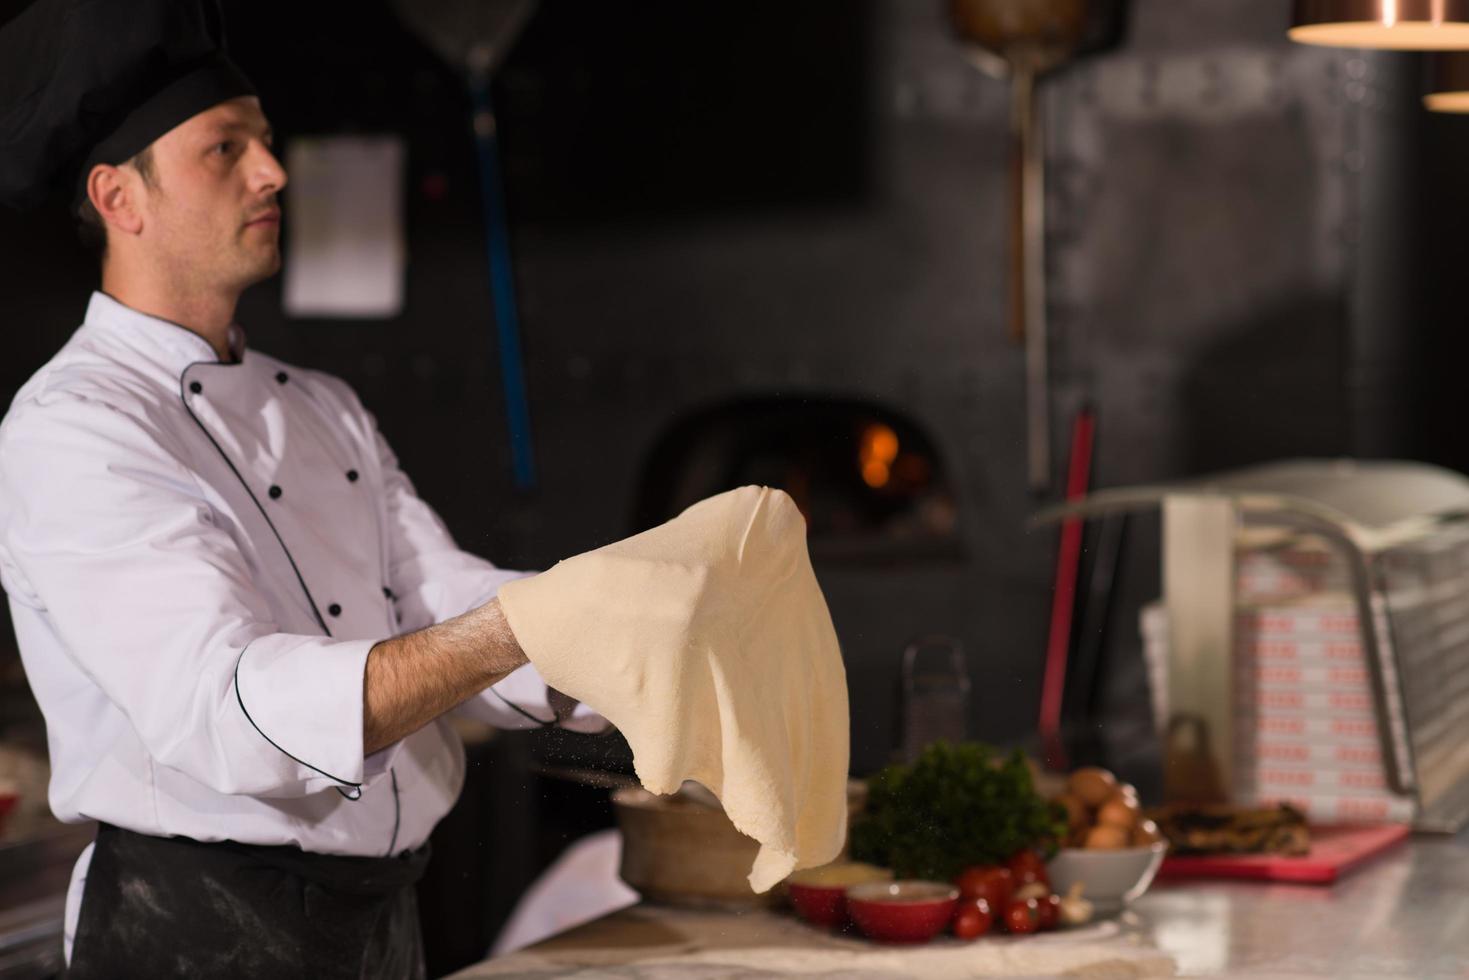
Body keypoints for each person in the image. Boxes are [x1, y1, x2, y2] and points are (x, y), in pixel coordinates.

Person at [0, 1, 605, 976]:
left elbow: (434, 592)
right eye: (225, 148)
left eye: (266, 143)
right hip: (197, 935)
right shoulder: (75, 427)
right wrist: (527, 624)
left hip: (382, 922)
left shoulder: (321, 403)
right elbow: (225, 706)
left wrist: (624, 638)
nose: (273, 171)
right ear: (121, 198)